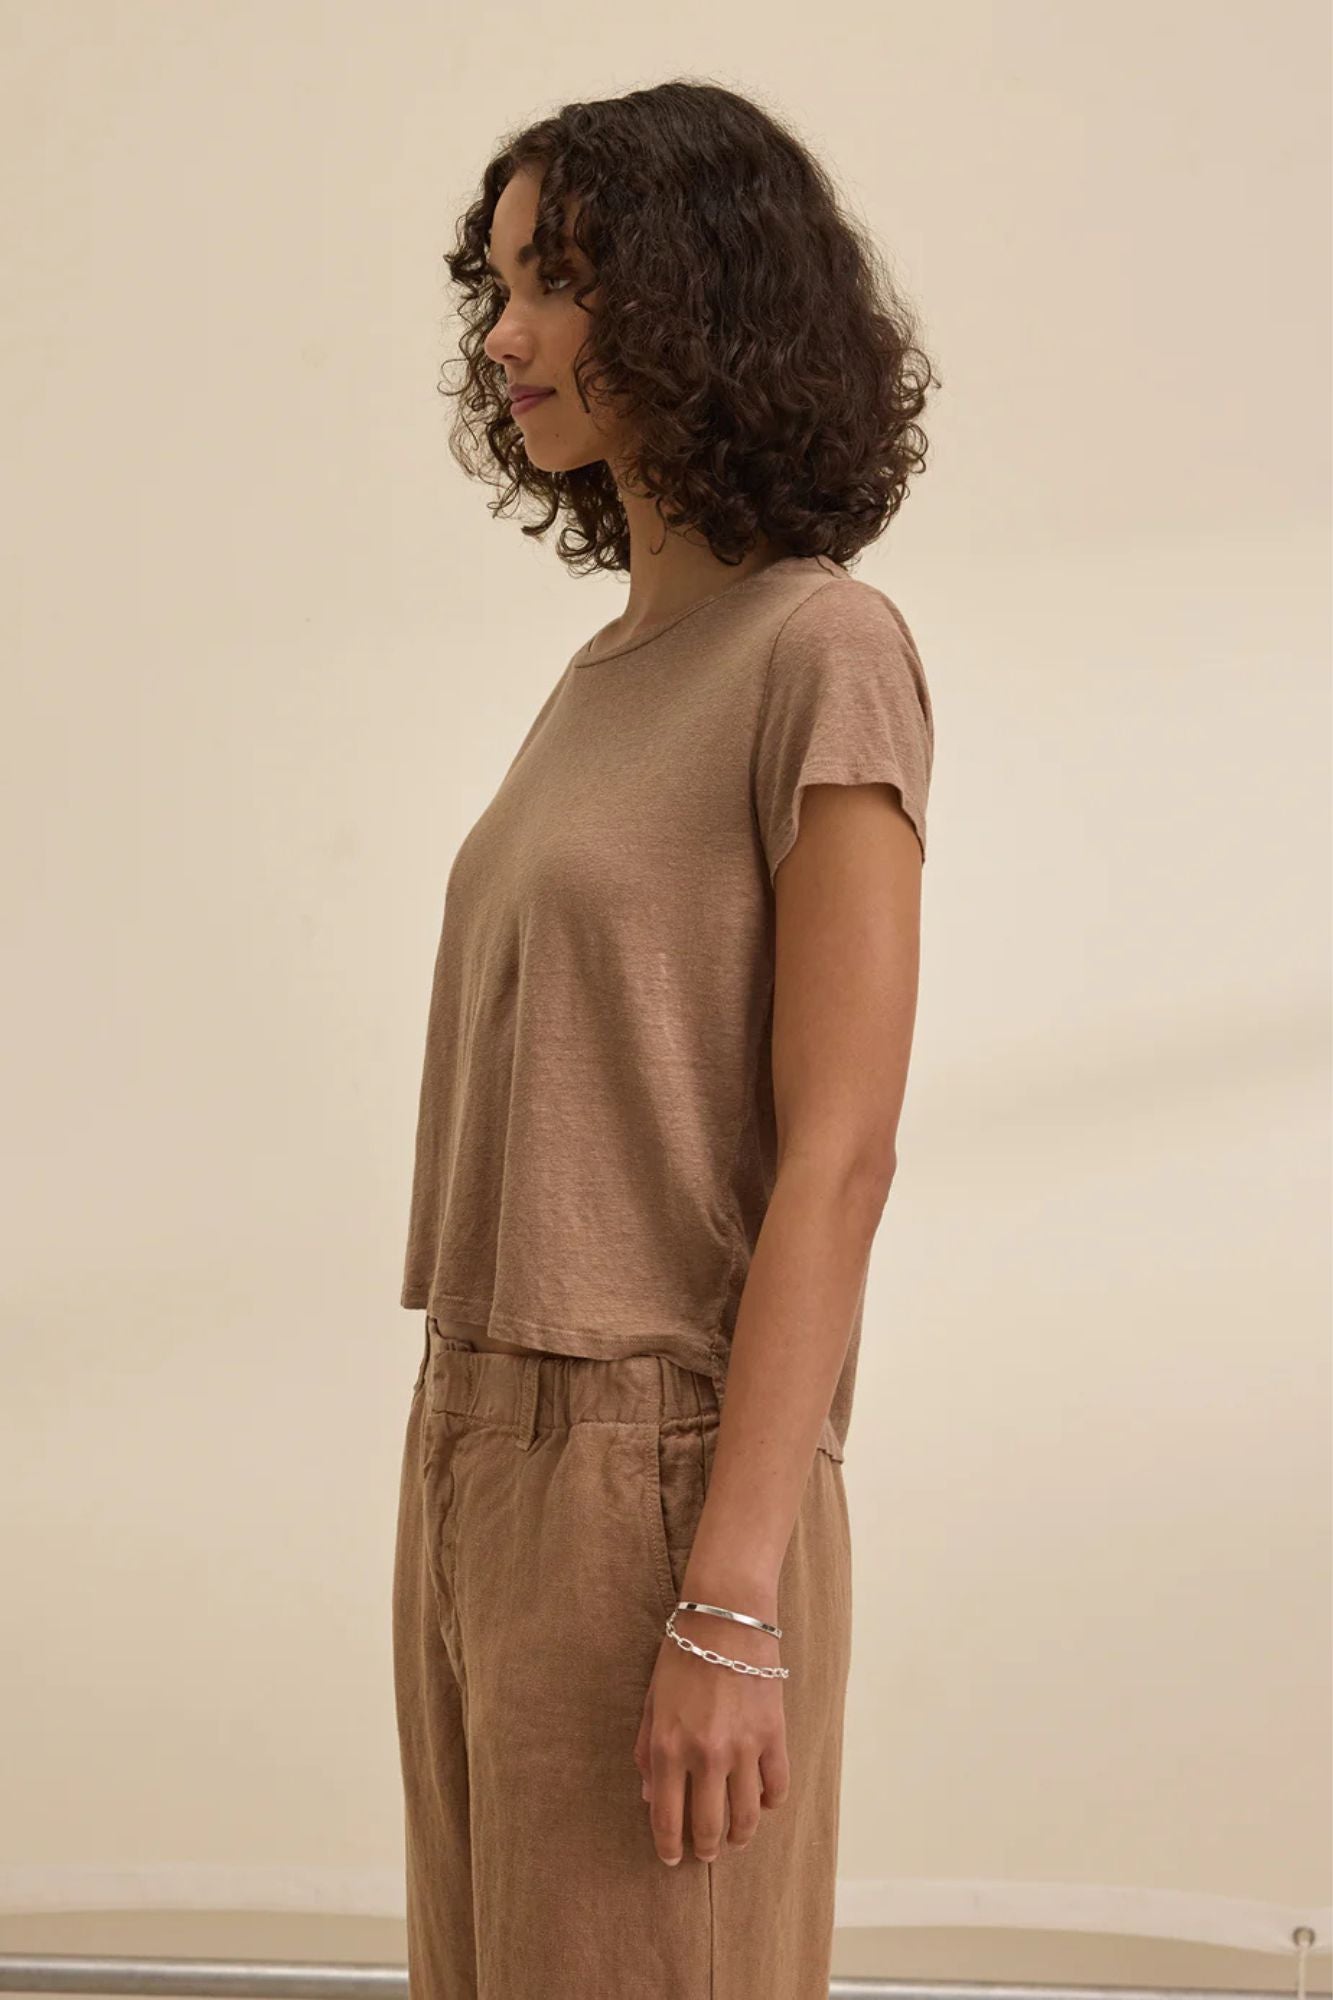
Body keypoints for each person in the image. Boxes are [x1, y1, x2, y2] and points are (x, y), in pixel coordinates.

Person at [391, 77, 937, 2000]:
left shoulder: (822, 650)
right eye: (499, 283)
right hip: (470, 1440)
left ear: (701, 300)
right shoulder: (604, 674)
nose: (504, 333)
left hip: (656, 1473)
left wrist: (728, 1598)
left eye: (556, 280)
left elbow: (840, 1155)